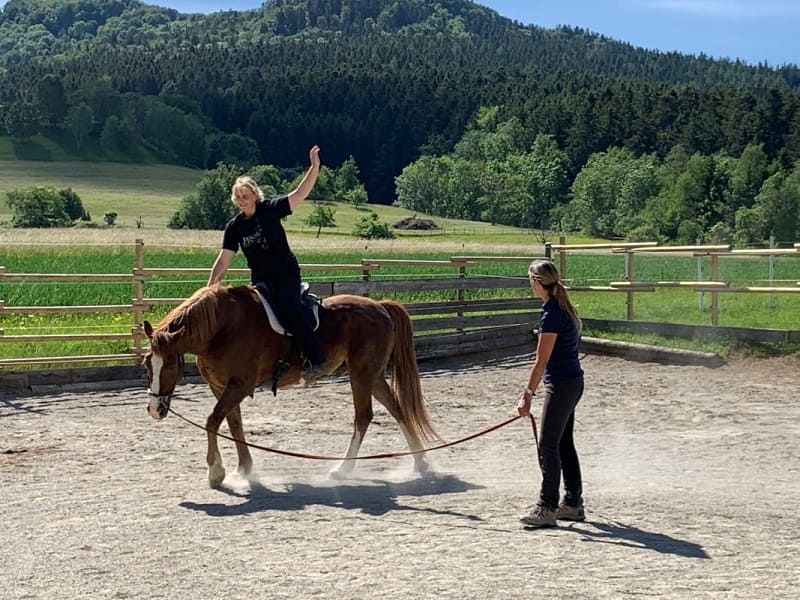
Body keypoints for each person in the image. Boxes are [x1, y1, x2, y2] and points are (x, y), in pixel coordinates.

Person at [207, 145, 326, 379]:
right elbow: (224, 259)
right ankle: (268, 364)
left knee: (291, 310)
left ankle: (316, 359)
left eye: (246, 196)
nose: (242, 201)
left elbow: (299, 194)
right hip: (261, 282)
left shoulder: (270, 210)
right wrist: (210, 286)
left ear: (255, 195)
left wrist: (314, 167)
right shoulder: (234, 227)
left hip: (286, 275)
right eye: (238, 197)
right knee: (252, 318)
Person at [517, 259, 585, 528]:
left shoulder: (552, 315)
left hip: (561, 385)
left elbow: (540, 360)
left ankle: (547, 506)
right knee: (563, 443)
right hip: (572, 382)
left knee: (548, 445)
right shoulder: (558, 308)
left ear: (537, 282)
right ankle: (572, 503)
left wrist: (527, 394)